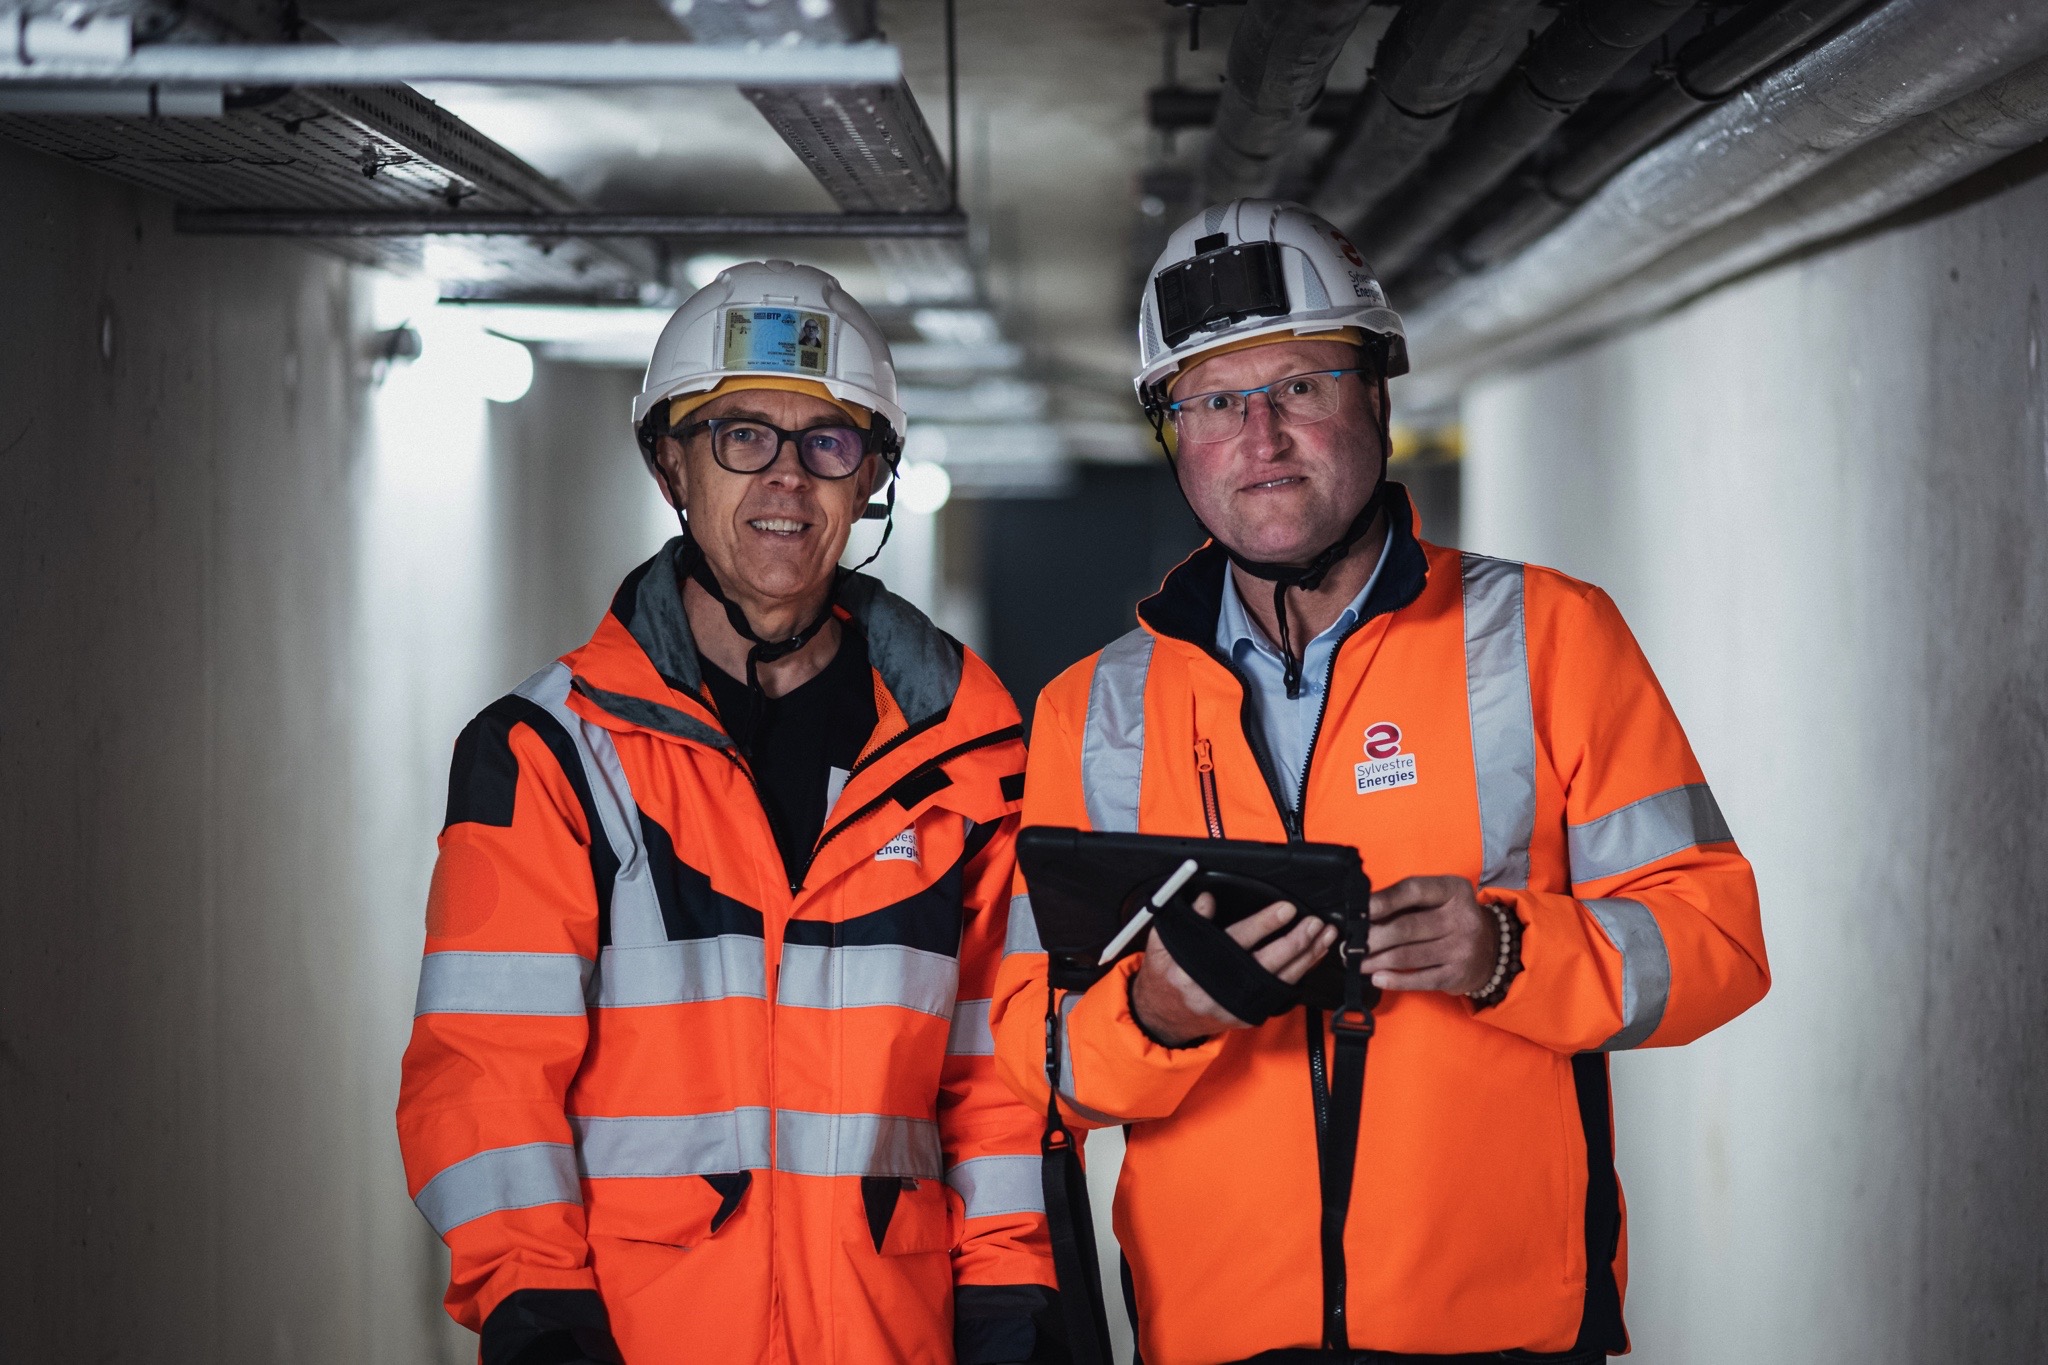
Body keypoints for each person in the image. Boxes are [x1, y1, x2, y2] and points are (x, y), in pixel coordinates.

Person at [991, 201, 1770, 1364]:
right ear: (1173, 436)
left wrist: (1507, 952)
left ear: (1377, 397)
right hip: (1210, 1336)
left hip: (1502, 1333)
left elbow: (1717, 946)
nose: (1260, 435)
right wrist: (1155, 1015)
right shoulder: (1089, 710)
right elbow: (1036, 1059)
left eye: (1300, 385)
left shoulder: (1546, 636)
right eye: (1212, 401)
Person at [399, 260, 1064, 1365]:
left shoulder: (970, 760)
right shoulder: (551, 756)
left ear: (870, 480)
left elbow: (996, 1073)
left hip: (890, 1338)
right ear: (670, 463)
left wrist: (1008, 1298)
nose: (786, 481)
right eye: (740, 436)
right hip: (636, 1337)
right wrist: (535, 1307)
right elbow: (484, 1070)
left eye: (828, 442)